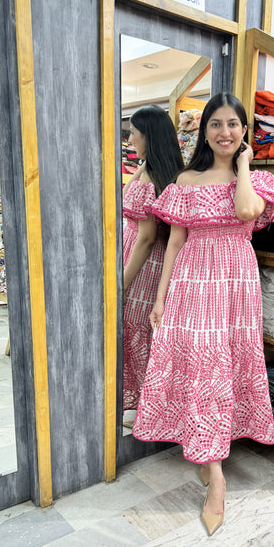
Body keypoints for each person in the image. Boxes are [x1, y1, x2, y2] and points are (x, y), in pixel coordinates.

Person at [133, 92, 274, 535]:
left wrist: (242, 167)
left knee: (224, 366)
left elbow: (245, 212)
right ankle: (213, 468)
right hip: (191, 281)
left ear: (244, 131)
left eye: (233, 125)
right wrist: (160, 298)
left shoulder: (256, 181)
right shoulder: (184, 180)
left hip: (236, 284)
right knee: (201, 367)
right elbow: (175, 243)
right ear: (204, 130)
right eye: (216, 124)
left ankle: (211, 463)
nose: (225, 132)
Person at [122, 105, 183, 414]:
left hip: (143, 262)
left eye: (133, 132)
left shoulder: (150, 178)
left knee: (137, 329)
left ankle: (150, 409)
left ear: (148, 136)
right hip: (148, 258)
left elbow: (145, 240)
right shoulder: (155, 170)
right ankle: (149, 408)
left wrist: (121, 284)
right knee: (143, 333)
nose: (129, 137)